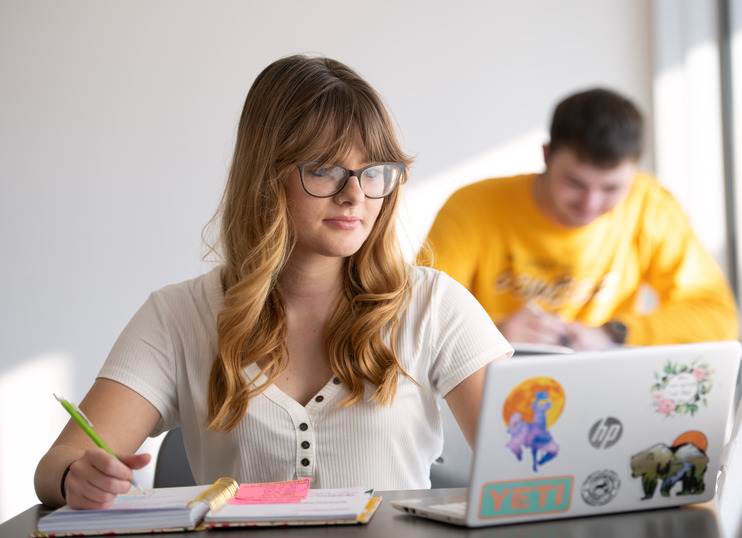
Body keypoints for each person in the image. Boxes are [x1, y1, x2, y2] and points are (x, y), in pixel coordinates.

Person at [34, 55, 512, 509]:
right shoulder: (177, 316)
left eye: (375, 173)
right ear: (266, 175)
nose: (355, 195)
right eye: (324, 170)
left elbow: (532, 463)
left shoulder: (434, 305)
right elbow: (56, 464)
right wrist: (76, 476)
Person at [419, 88, 739, 351]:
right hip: (490, 378)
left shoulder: (650, 204)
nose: (591, 203)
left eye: (612, 187)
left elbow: (717, 317)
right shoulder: (473, 206)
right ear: (546, 156)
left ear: (635, 171)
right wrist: (492, 331)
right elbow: (416, 318)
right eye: (574, 182)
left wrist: (614, 334)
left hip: (606, 384)